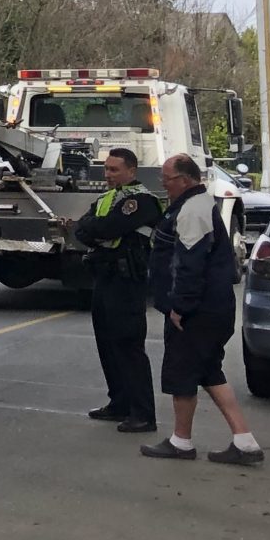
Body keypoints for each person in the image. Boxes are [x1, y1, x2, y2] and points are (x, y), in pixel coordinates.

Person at [140, 154, 265, 466]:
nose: (163, 185)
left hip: (198, 312)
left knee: (181, 373)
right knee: (209, 372)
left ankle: (181, 441)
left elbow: (189, 264)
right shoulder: (193, 206)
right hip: (212, 309)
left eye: (167, 179)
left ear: (184, 179)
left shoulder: (194, 210)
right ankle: (245, 441)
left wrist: (180, 307)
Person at [72, 146, 162, 433]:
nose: (108, 174)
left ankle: (143, 413)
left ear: (131, 171)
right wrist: (94, 228)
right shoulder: (106, 197)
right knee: (107, 343)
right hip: (105, 277)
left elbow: (108, 228)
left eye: (114, 169)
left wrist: (95, 228)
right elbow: (82, 228)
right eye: (106, 169)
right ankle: (119, 402)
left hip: (127, 280)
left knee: (128, 345)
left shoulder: (141, 200)